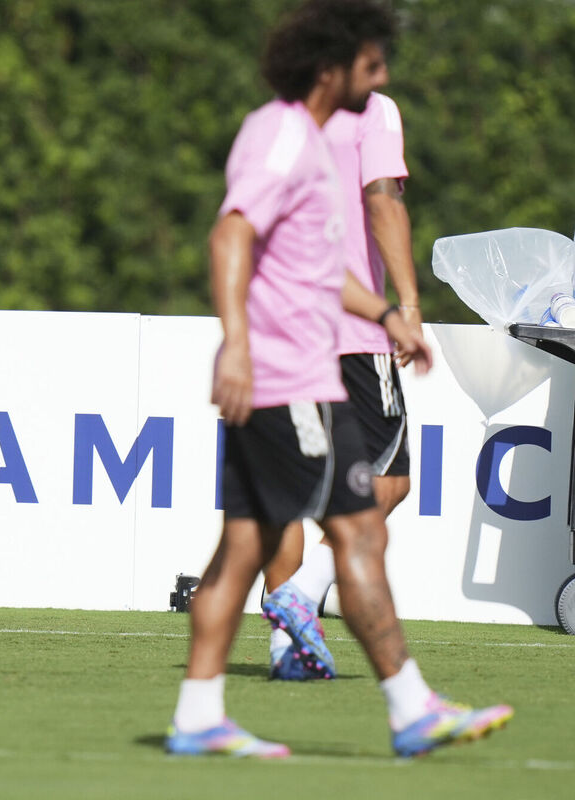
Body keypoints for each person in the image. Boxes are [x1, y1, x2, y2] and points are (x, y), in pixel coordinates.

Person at [165, 0, 512, 758]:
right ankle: (412, 708)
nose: (381, 77)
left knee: (241, 551)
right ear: (331, 67)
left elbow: (321, 271)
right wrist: (236, 346)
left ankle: (197, 716)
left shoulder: (317, 142)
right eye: (370, 64)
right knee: (356, 531)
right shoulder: (284, 135)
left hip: (300, 375)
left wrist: (388, 314)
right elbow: (230, 234)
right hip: (290, 379)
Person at [262, 86, 422, 681]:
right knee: (390, 481)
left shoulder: (281, 114)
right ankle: (302, 593)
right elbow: (382, 202)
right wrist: (406, 305)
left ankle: (287, 650)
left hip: (282, 325)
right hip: (351, 330)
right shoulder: (372, 110)